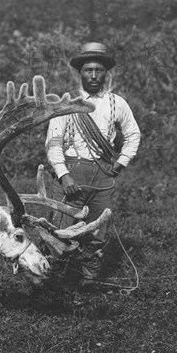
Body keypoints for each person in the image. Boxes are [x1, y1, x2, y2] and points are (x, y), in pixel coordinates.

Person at [45, 42, 141, 286]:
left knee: (98, 231)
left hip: (103, 174)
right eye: (89, 70)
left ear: (106, 72)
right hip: (72, 171)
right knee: (61, 231)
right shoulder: (68, 103)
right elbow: (53, 142)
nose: (94, 75)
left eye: (99, 70)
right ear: (80, 72)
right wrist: (64, 174)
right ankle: (55, 284)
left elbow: (133, 135)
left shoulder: (116, 103)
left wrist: (120, 164)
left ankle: (89, 281)